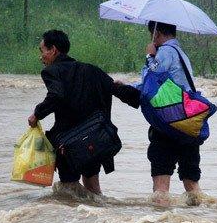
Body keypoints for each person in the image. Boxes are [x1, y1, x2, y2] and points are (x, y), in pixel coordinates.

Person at [27, 29, 131, 194]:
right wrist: (145, 96)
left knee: (69, 191)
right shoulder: (92, 70)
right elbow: (118, 90)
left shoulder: (51, 71)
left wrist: (37, 114)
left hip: (69, 144)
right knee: (94, 189)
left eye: (43, 51)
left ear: (53, 50)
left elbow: (56, 96)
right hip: (95, 140)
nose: (42, 57)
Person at [118, 21, 204, 202]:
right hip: (187, 122)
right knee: (192, 184)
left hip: (166, 123)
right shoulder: (182, 54)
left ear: (156, 34)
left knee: (161, 185)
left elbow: (152, 78)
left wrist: (150, 56)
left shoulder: (165, 52)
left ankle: (160, 222)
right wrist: (130, 86)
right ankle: (197, 219)